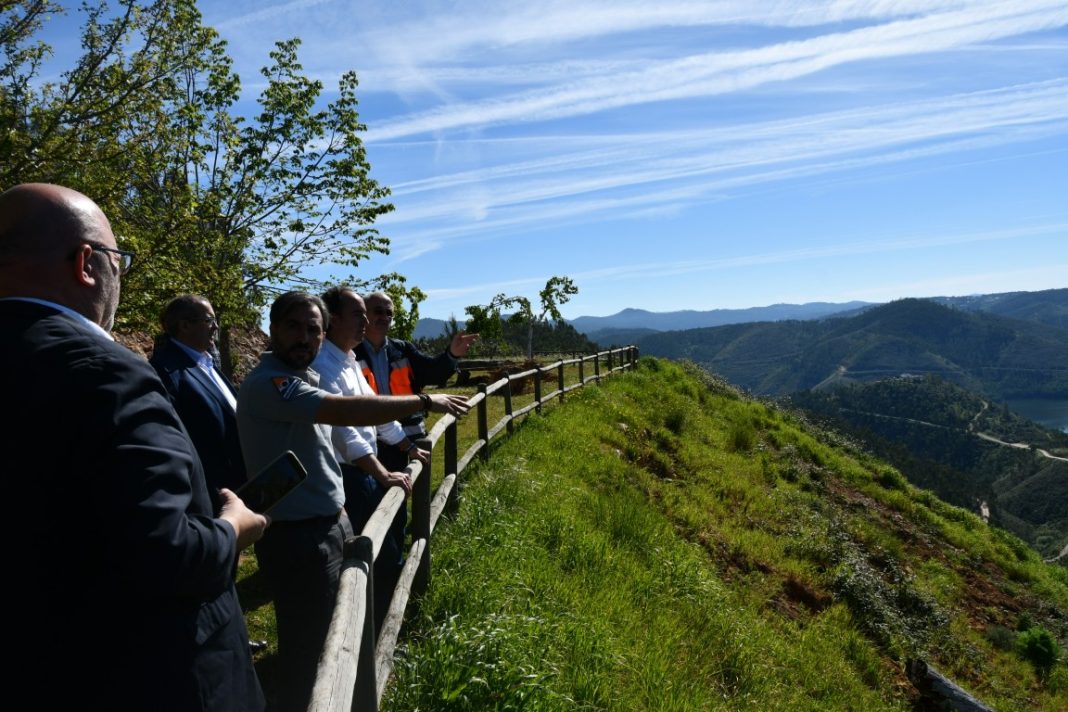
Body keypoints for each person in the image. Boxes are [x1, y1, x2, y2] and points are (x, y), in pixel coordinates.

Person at [0, 183, 268, 711]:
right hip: (153, 677)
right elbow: (166, 553)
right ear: (86, 263)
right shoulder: (108, 374)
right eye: (118, 261)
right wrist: (233, 529)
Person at [237, 291, 470, 712]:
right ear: (272, 329)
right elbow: (348, 414)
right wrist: (424, 400)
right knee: (310, 645)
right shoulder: (272, 384)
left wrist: (335, 501)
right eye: (294, 327)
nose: (305, 338)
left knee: (335, 626)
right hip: (297, 534)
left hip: (323, 520)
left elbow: (319, 451)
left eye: (313, 329)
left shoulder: (304, 377)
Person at [314, 286, 425, 630]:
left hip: (364, 473)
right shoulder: (323, 366)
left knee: (387, 546)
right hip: (349, 477)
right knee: (373, 554)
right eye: (357, 314)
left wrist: (407, 448)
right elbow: (343, 433)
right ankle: (374, 634)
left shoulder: (347, 360)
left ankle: (388, 621)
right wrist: (382, 473)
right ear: (332, 320)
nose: (366, 321)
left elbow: (376, 413)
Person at [355, 291, 478, 472]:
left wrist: (451, 355)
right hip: (369, 442)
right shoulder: (351, 353)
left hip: (409, 437)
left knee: (405, 491)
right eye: (378, 311)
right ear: (363, 315)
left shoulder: (402, 349)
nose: (384, 317)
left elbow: (432, 373)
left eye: (389, 313)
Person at [151, 294, 245, 499]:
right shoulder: (167, 373)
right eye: (209, 320)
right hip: (214, 496)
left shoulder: (207, 363)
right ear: (184, 326)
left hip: (239, 489)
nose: (216, 327)